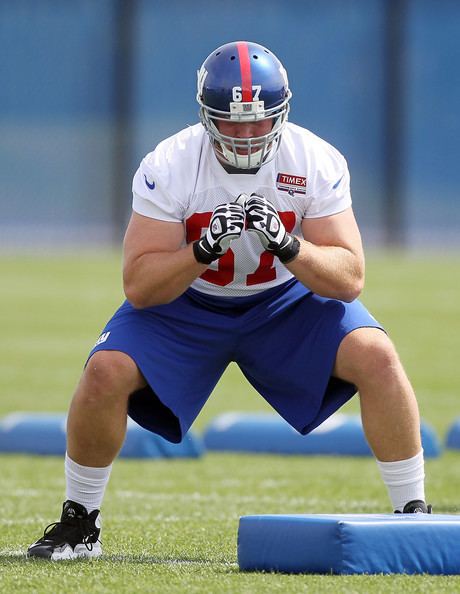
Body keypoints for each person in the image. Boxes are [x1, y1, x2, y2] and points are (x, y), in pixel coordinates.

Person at [27, 40, 430, 560]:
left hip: (284, 302)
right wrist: (202, 249)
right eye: (231, 122)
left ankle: (412, 512)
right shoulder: (170, 163)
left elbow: (349, 276)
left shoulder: (313, 157)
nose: (245, 134)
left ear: (280, 114)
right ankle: (80, 522)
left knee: (377, 355)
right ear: (206, 116)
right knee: (104, 371)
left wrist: (289, 244)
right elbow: (140, 284)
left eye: (258, 122)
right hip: (188, 303)